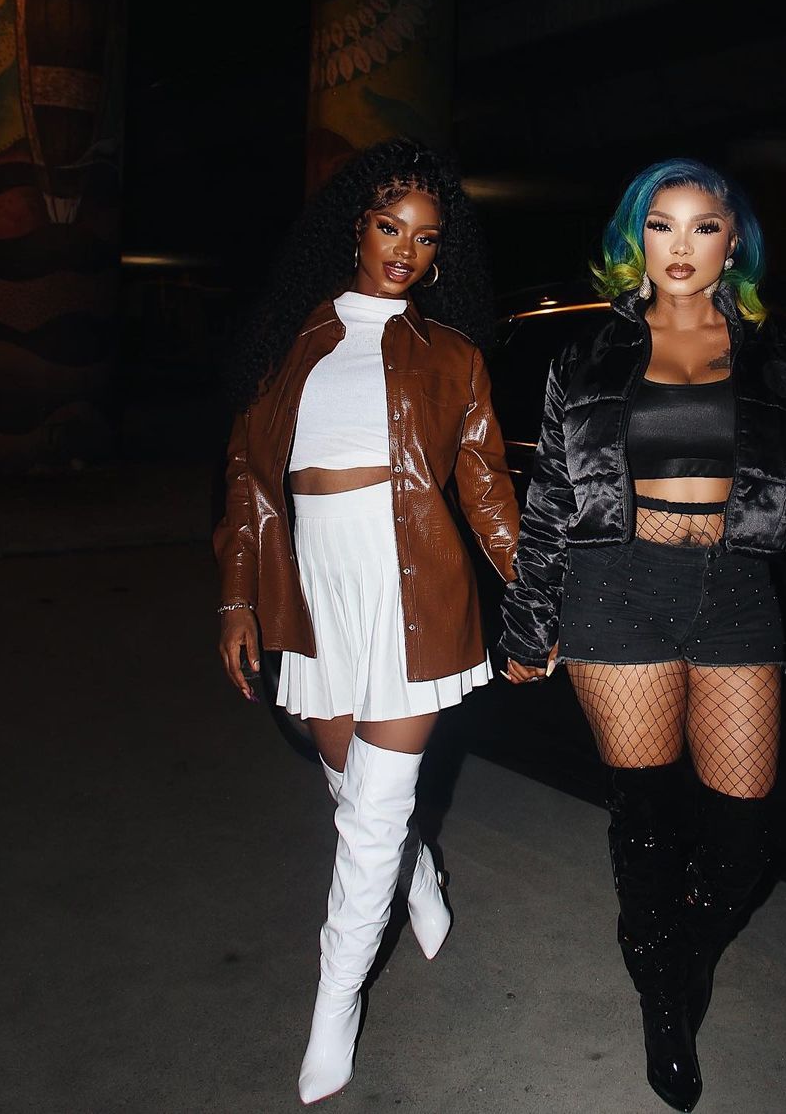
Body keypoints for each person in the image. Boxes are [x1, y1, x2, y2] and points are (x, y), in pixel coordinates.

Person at [500, 158, 786, 1112]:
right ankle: (666, 1008)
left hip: (738, 590)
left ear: (732, 241)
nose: (680, 245)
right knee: (647, 819)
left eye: (703, 226)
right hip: (616, 588)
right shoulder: (588, 355)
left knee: (747, 832)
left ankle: (673, 954)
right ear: (638, 237)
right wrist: (529, 621)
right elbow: (550, 500)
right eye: (661, 224)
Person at [214, 137, 518, 1106]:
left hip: (413, 593)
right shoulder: (289, 343)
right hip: (312, 590)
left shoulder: (454, 357)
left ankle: (333, 1008)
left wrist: (540, 592)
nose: (406, 251)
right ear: (358, 227)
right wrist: (236, 598)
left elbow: (488, 493)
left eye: (426, 239)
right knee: (354, 788)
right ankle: (417, 872)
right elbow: (250, 484)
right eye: (392, 227)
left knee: (370, 817)